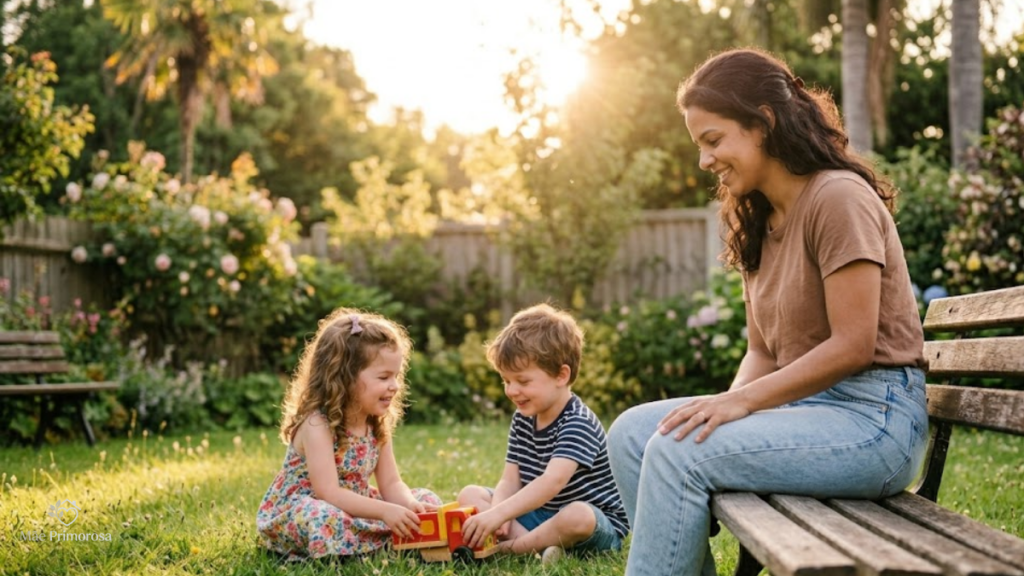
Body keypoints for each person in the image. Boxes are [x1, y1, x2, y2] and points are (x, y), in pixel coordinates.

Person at [607, 47, 928, 576]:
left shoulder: (837, 198)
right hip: (809, 413)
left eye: (714, 140)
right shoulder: (756, 219)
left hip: (875, 422)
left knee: (675, 450)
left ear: (763, 123)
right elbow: (761, 352)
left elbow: (853, 345)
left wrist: (741, 405)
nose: (704, 161)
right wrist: (723, 410)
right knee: (632, 435)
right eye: (700, 146)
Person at [256, 309, 441, 560]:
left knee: (427, 500)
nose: (395, 386)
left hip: (355, 506)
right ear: (344, 377)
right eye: (384, 377)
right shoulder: (317, 424)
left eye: (397, 376)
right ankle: (369, 544)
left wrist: (409, 505)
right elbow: (328, 493)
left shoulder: (376, 424)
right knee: (323, 518)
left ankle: (372, 542)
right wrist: (385, 511)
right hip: (307, 509)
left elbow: (391, 484)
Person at [458, 303, 630, 564]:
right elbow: (510, 480)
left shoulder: (578, 422)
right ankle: (541, 548)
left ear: (561, 375)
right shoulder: (523, 417)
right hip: (541, 514)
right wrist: (498, 512)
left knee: (578, 515)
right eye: (506, 381)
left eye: (523, 381)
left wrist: (499, 514)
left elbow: (552, 483)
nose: (511, 390)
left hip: (592, 527)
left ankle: (512, 548)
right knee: (470, 494)